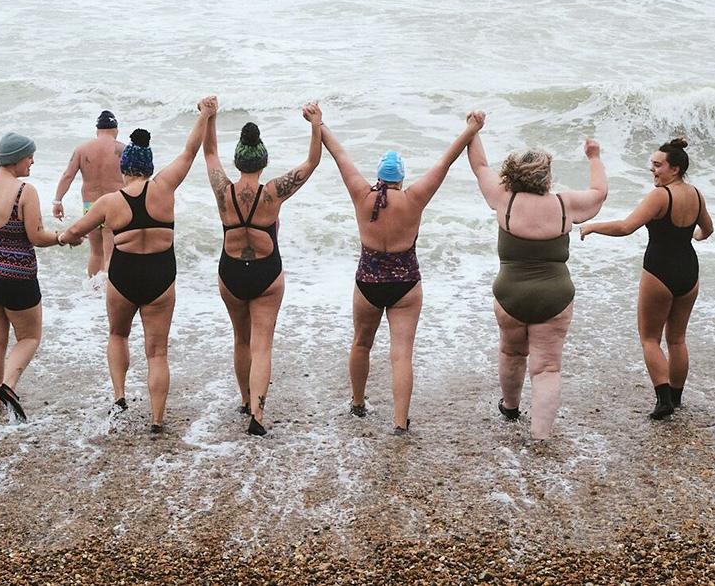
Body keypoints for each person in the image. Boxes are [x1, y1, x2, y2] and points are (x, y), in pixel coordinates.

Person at [61, 98, 216, 433]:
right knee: (157, 352)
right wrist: (204, 115)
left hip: (124, 277)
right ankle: (158, 419)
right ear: (148, 167)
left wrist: (58, 238)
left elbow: (75, 231)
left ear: (124, 169)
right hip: (161, 277)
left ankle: (119, 397)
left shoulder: (109, 202)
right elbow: (190, 151)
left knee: (118, 334)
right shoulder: (165, 186)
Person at [322, 113, 484, 434]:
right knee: (401, 355)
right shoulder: (414, 198)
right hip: (406, 286)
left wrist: (319, 124)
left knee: (361, 344)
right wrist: (471, 129)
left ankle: (357, 403)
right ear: (401, 177)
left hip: (368, 283)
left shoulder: (362, 196)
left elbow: (339, 155)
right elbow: (445, 162)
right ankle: (399, 423)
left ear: (379, 175)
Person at [467, 122, 608, 440]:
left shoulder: (504, 199)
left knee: (511, 353)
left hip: (510, 296)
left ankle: (511, 408)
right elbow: (600, 194)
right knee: (547, 368)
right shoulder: (564, 204)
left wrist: (473, 131)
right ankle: (540, 437)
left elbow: (478, 165)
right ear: (546, 176)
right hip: (555, 297)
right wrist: (594, 157)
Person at [203, 103, 323, 436]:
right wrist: (316, 124)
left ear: (238, 161)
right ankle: (257, 414)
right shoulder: (272, 193)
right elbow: (312, 163)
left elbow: (210, 152)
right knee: (262, 345)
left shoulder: (222, 191)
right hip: (267, 274)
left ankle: (244, 399)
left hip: (230, 273)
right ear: (263, 160)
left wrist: (209, 117)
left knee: (241, 339)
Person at [580, 138, 713, 420]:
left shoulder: (660, 196)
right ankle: (676, 398)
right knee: (677, 339)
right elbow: (707, 230)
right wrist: (692, 237)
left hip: (659, 270)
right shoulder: (696, 195)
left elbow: (626, 227)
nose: (652, 170)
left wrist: (592, 226)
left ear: (674, 169)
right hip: (689, 269)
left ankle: (663, 400)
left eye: (657, 165)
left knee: (650, 338)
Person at [0, 132, 73, 422]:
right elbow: (35, 237)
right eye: (29, 156)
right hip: (16, 277)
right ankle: (7, 387)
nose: (32, 161)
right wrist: (62, 238)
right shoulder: (24, 191)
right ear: (18, 158)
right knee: (30, 336)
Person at [52, 110, 125, 278]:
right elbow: (134, 179)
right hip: (114, 205)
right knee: (110, 253)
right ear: (116, 129)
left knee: (96, 253)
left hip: (90, 207)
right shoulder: (123, 149)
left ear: (97, 130)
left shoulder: (82, 149)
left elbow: (68, 175)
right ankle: (109, 293)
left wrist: (57, 201)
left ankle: (92, 293)